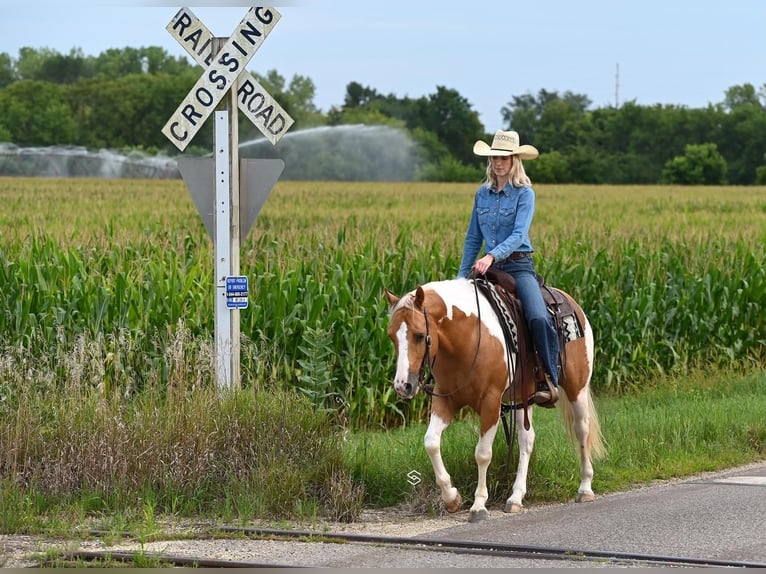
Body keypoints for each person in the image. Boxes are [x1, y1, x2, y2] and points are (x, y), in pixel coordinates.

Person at [457, 129, 559, 407]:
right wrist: (460, 277)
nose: (498, 163)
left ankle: (549, 378)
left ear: (515, 160)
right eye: (494, 158)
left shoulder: (525, 194)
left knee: (537, 316)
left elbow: (518, 233)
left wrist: (491, 255)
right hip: (487, 268)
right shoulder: (482, 195)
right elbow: (472, 238)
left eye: (504, 157)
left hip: (518, 266)